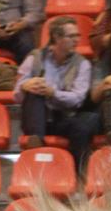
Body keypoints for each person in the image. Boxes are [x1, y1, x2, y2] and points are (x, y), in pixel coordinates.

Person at [15, 17, 100, 170]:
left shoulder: (82, 64)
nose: (77, 40)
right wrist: (24, 86)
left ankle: (79, 173)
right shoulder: (35, 57)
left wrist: (53, 93)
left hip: (64, 117)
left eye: (78, 36)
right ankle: (37, 141)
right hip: (36, 116)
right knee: (34, 88)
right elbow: (16, 95)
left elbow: (78, 99)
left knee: (86, 123)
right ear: (57, 37)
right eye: (71, 36)